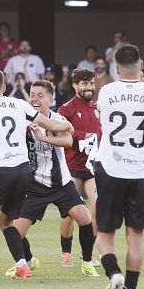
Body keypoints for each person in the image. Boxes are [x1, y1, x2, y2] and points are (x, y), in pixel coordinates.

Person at [0, 69, 73, 279]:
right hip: (24, 170)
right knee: (5, 221)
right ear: (5, 88)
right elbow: (51, 125)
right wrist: (67, 125)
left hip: (1, 169)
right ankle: (22, 265)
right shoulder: (20, 104)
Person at [93, 44, 144, 289]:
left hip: (111, 170)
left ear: (115, 68)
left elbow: (102, 119)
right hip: (140, 173)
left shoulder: (106, 91)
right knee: (135, 238)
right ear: (140, 66)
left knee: (104, 232)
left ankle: (114, 274)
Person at [10, 80, 99, 278]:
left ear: (50, 99)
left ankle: (86, 262)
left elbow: (68, 141)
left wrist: (43, 139)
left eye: (40, 95)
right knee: (15, 232)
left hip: (61, 183)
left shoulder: (58, 119)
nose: (34, 98)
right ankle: (27, 261)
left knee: (84, 218)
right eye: (32, 94)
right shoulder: (22, 121)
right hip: (34, 185)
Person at [57, 68, 102, 268]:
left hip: (91, 168)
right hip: (71, 167)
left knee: (97, 209)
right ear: (75, 85)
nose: (89, 87)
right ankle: (66, 252)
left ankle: (88, 253)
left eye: (91, 83)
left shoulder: (97, 108)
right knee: (69, 214)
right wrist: (81, 136)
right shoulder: (65, 109)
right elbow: (58, 133)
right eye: (84, 83)